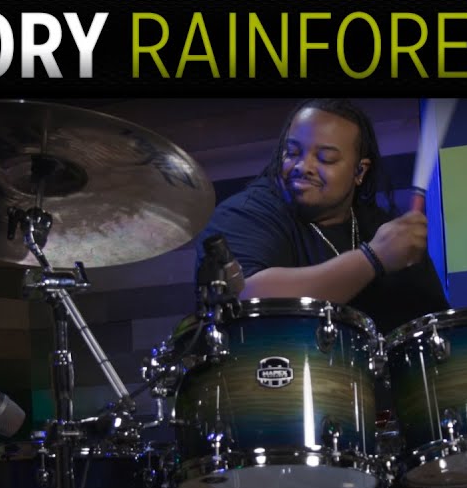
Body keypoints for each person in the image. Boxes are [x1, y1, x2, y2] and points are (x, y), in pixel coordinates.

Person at [193, 98, 451, 336]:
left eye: (325, 158)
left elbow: (434, 331)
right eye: (292, 152)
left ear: (359, 172)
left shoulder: (381, 229)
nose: (303, 167)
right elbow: (245, 299)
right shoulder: (246, 213)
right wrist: (373, 258)